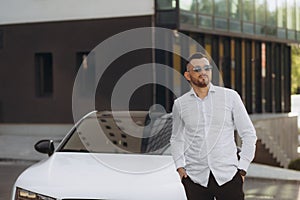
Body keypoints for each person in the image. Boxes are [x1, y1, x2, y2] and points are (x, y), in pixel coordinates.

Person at [170, 52, 257, 200]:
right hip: (196, 179)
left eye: (206, 68)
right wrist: (180, 168)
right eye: (197, 69)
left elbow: (249, 134)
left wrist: (242, 169)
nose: (203, 72)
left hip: (228, 177)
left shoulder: (230, 97)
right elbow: (176, 139)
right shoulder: (180, 104)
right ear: (187, 75)